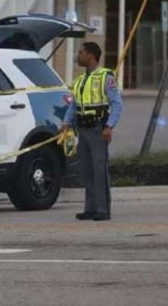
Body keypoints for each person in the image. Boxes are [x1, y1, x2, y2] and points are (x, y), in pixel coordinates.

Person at [61, 42, 123, 221]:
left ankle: (102, 210)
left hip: (98, 130)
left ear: (90, 56)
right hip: (83, 130)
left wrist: (109, 126)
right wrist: (66, 123)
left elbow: (117, 104)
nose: (78, 56)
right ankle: (90, 208)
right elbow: (74, 105)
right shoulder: (80, 81)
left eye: (81, 53)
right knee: (86, 171)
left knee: (99, 171)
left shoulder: (106, 77)